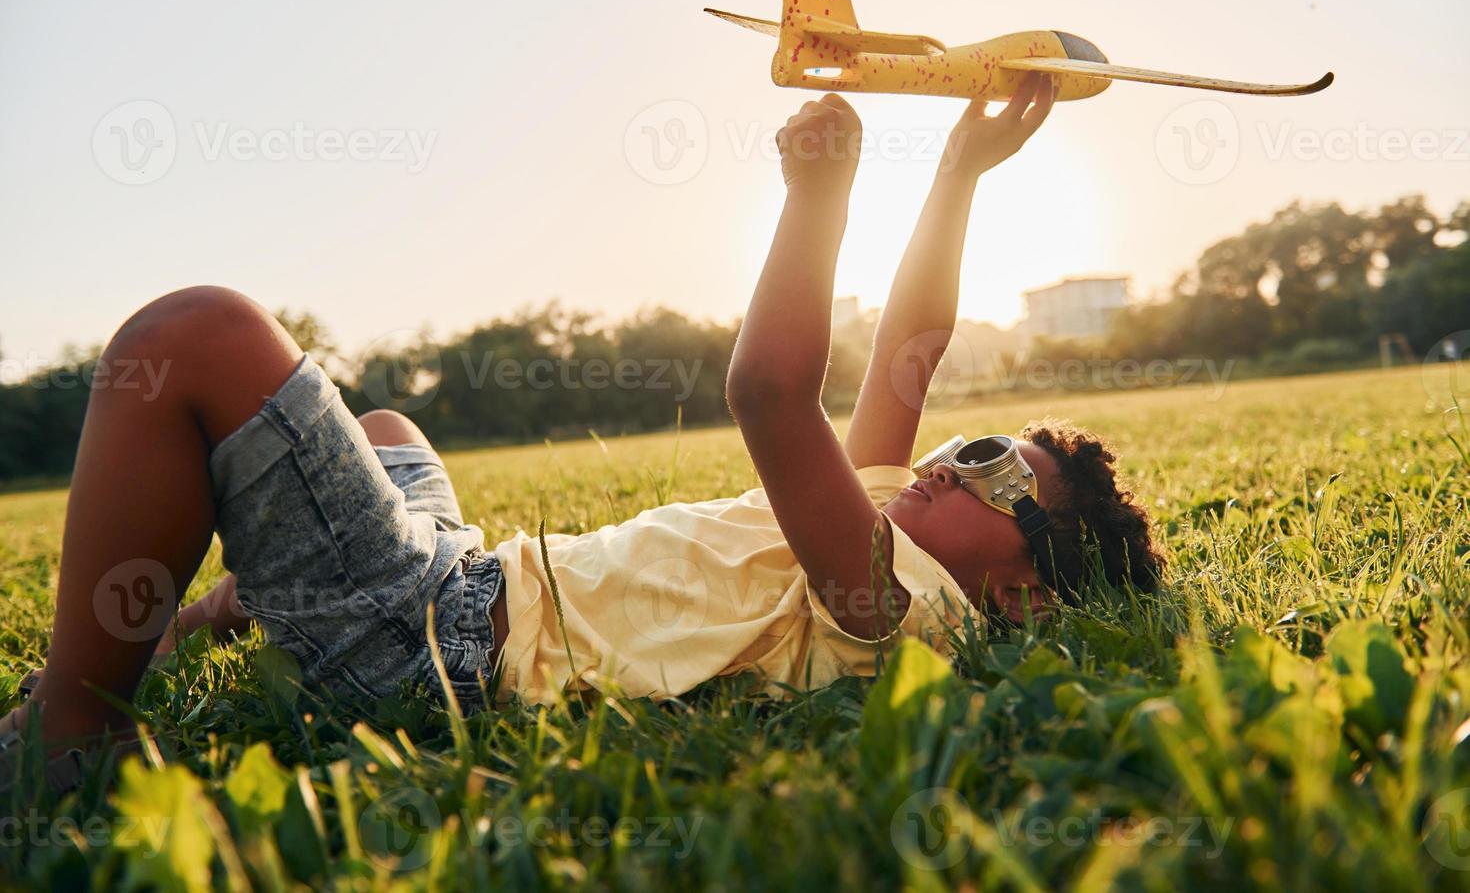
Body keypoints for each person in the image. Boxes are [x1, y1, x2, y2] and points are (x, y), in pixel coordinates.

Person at [1, 75, 1162, 773]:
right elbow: (914, 343)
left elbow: (767, 392)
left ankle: (68, 728)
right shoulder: (889, 514)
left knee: (195, 334)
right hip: (469, 578)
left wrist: (816, 200)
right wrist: (959, 168)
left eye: (998, 471)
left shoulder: (895, 604)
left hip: (433, 654)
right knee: (396, 428)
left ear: (1024, 593)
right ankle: (212, 609)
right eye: (977, 442)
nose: (954, 461)